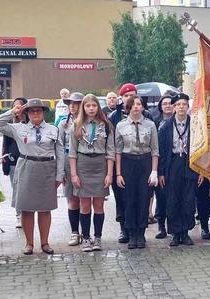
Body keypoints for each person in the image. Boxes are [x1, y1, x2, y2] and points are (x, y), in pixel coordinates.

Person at [0, 98, 64, 255]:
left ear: (43, 112)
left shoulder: (54, 129)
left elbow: (60, 153)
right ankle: (29, 243)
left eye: (39, 110)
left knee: (45, 208)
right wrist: (13, 111)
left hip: (47, 169)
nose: (35, 113)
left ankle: (45, 243)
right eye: (32, 111)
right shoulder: (18, 128)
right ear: (26, 113)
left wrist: (59, 175)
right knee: (27, 208)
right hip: (26, 167)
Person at [109, 83, 155, 243]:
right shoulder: (114, 117)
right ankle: (125, 230)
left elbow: (154, 147)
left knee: (143, 198)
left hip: (144, 162)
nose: (131, 100)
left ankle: (140, 232)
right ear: (122, 98)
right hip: (123, 164)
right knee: (125, 199)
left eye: (134, 96)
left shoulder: (148, 118)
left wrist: (154, 171)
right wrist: (117, 172)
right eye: (127, 96)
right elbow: (115, 147)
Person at [69, 94, 116, 252]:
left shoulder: (107, 125)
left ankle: (98, 238)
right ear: (83, 107)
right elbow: (72, 153)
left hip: (100, 166)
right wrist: (74, 174)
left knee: (99, 204)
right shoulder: (76, 124)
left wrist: (109, 174)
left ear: (98, 107)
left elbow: (111, 152)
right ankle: (86, 238)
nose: (91, 109)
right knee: (84, 205)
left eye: (93, 106)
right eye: (87, 106)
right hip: (83, 165)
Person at [158, 93, 201, 246]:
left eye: (184, 104)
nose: (181, 107)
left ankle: (186, 232)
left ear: (188, 107)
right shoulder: (165, 127)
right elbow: (161, 152)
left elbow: (200, 148)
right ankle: (176, 233)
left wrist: (200, 170)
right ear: (174, 107)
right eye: (178, 105)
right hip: (173, 163)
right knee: (173, 199)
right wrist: (161, 172)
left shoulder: (195, 124)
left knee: (188, 199)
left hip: (189, 164)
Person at [58, 92, 84, 247]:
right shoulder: (63, 124)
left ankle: (86, 232)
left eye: (76, 103)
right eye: (70, 103)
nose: (72, 106)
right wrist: (60, 171)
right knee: (72, 199)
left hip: (85, 162)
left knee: (86, 199)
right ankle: (75, 232)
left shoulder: (89, 123)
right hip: (68, 162)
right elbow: (59, 148)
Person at [2, 97, 27, 228]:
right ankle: (19, 215)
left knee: (27, 188)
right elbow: (4, 143)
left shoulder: (29, 123)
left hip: (28, 159)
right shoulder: (9, 125)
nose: (18, 109)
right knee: (16, 189)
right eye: (15, 106)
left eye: (20, 106)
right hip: (13, 159)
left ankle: (27, 214)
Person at [151, 94, 174, 231]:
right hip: (160, 162)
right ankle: (161, 225)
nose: (167, 106)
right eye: (164, 103)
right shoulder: (155, 122)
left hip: (176, 162)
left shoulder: (180, 121)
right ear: (161, 106)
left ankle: (173, 225)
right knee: (161, 196)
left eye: (170, 103)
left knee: (174, 196)